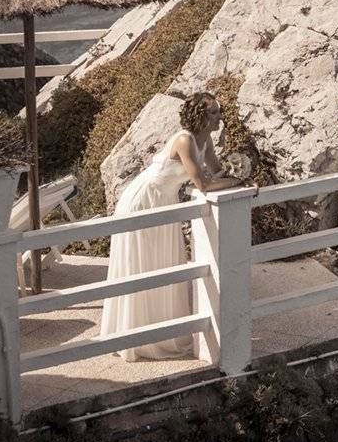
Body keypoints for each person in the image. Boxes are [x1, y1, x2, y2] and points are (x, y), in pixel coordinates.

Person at [100, 93, 241, 361]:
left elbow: (216, 173)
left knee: (160, 265)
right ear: (200, 116)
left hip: (165, 201)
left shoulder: (205, 139)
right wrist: (239, 183)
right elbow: (203, 184)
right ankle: (135, 338)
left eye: (218, 112)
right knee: (142, 265)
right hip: (143, 200)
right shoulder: (185, 140)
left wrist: (235, 174)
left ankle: (158, 332)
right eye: (214, 113)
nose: (219, 117)